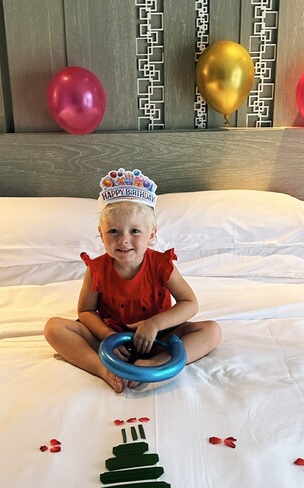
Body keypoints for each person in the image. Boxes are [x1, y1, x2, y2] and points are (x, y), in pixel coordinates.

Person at [44, 167, 221, 393]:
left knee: (212, 331)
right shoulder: (96, 269)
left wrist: (154, 324)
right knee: (54, 328)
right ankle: (102, 367)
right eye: (114, 232)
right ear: (101, 233)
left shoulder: (161, 265)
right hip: (111, 340)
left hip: (158, 337)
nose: (123, 240)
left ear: (152, 235)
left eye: (135, 231)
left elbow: (190, 304)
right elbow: (86, 312)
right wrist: (107, 336)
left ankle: (156, 364)